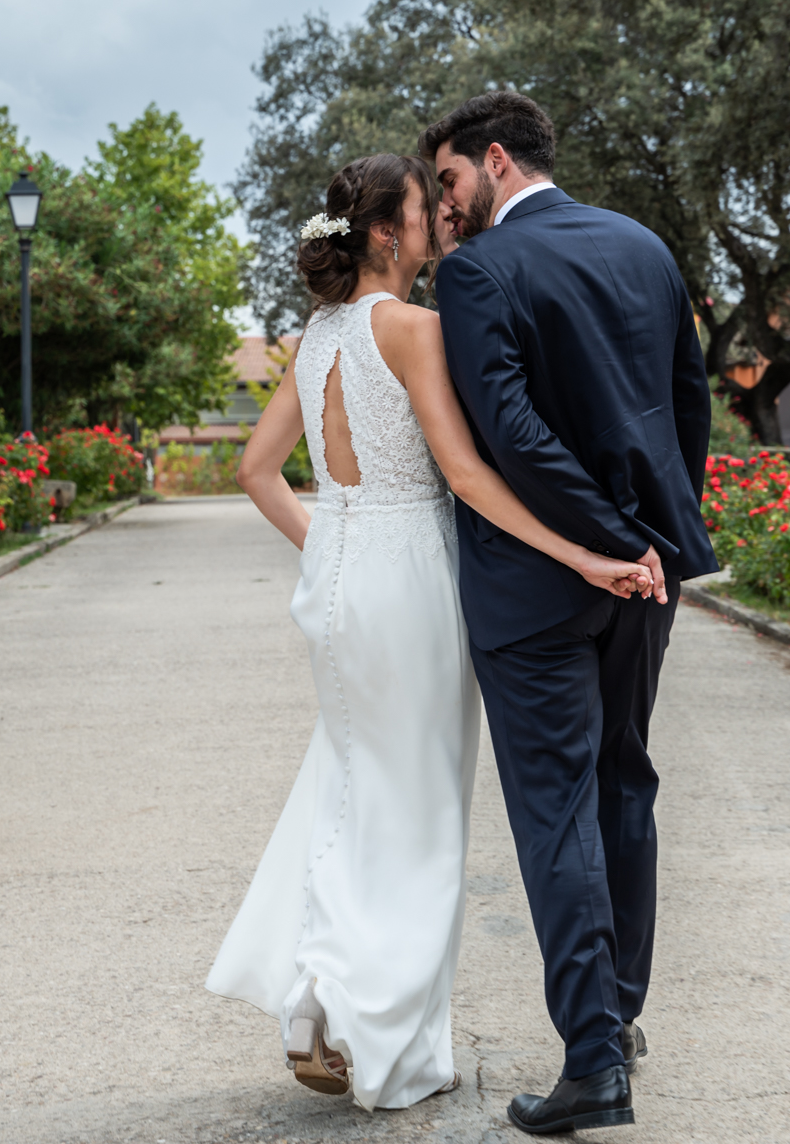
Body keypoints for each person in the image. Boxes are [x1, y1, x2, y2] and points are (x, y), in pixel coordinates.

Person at [205, 151, 657, 1113]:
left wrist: (330, 545)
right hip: (410, 582)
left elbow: (254, 470)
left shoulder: (318, 335)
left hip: (339, 579)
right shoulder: (414, 328)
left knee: (348, 785)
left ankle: (316, 995)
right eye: (424, 208)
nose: (439, 220)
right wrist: (580, 553)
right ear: (386, 231)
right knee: (418, 813)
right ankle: (377, 1035)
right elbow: (466, 474)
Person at [418, 91, 718, 1134]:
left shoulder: (477, 271)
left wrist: (603, 543)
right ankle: (617, 1017)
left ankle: (592, 1062)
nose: (444, 204)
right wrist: (651, 541)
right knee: (624, 782)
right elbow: (687, 406)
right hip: (646, 576)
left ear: (495, 159)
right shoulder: (643, 246)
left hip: (538, 583)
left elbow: (509, 431)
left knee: (556, 809)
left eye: (449, 179)